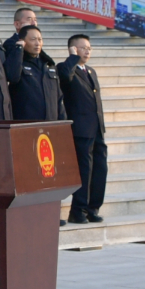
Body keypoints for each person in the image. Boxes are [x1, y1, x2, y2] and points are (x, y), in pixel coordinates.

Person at [58, 35, 108, 225]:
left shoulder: (90, 71)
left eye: (89, 48)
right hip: (81, 128)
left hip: (96, 128)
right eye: (82, 48)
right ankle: (78, 210)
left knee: (99, 168)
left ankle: (92, 208)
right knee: (84, 170)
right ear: (73, 49)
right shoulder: (65, 67)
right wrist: (71, 58)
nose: (87, 51)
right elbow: (65, 79)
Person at [6, 25, 63, 122]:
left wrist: (63, 123)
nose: (37, 43)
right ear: (23, 41)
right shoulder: (17, 62)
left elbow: (58, 98)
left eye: (40, 39)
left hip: (51, 123)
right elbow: (12, 77)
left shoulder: (48, 64)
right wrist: (19, 49)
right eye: (33, 39)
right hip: (26, 124)